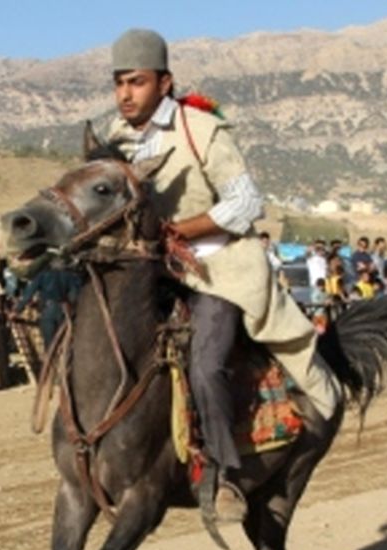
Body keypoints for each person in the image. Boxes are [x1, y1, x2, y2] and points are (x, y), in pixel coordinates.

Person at [105, 29, 339, 523]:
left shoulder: (201, 129)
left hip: (216, 270)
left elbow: (245, 202)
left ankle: (225, 473)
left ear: (164, 83)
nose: (125, 94)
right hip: (152, 273)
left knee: (207, 365)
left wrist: (178, 230)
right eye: (119, 83)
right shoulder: (116, 139)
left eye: (136, 82)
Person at [12, 259, 82, 346]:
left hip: (48, 310)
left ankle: (52, 358)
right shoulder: (69, 276)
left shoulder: (43, 275)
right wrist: (70, 304)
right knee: (64, 340)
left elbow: (29, 293)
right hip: (63, 310)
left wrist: (17, 310)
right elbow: (75, 291)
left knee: (50, 343)